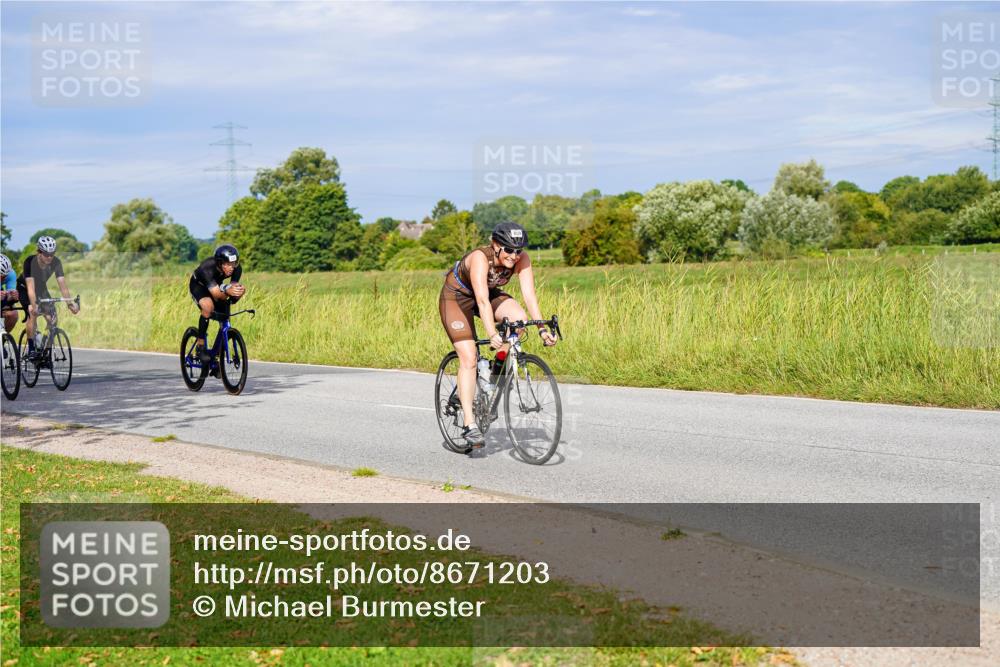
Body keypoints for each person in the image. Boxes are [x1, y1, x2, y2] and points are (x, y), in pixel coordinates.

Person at [438, 221, 557, 452]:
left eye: (518, 250)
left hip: (489, 294)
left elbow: (529, 296)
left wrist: (542, 329)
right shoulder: (480, 258)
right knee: (469, 356)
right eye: (509, 249)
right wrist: (491, 332)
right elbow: (481, 301)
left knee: (519, 321)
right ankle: (469, 424)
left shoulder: (522, 259)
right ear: (496, 245)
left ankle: (492, 376)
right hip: (457, 299)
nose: (514, 255)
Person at [17, 236, 80, 357]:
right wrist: (34, 305)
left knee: (53, 319)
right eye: (46, 254)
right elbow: (30, 289)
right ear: (39, 252)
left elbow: (62, 285)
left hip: (41, 288)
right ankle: (31, 350)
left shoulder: (56, 262)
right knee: (32, 311)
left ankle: (46, 353)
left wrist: (70, 304)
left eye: (52, 254)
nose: (50, 257)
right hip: (25, 288)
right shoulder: (30, 262)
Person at [189, 244, 245, 364]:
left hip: (215, 287)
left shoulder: (237, 268)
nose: (231, 268)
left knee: (227, 309)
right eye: (228, 264)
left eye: (233, 264)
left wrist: (236, 293)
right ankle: (200, 345)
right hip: (199, 287)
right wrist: (227, 290)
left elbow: (233, 286)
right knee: (208, 307)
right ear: (219, 263)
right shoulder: (207, 268)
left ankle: (217, 352)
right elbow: (216, 294)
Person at [0, 253, 18, 333]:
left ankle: (2, 338)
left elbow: (10, 298)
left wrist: (13, 297)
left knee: (13, 314)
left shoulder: (11, 274)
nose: (3, 278)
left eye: (4, 276)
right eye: (1, 276)